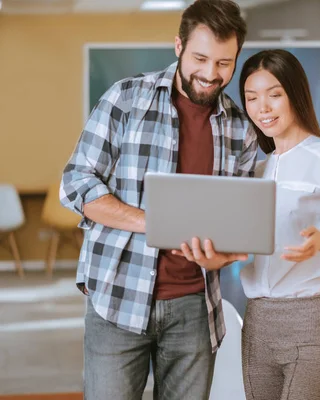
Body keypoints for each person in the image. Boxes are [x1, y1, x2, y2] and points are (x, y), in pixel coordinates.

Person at [59, 1, 257, 399]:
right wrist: (155, 221)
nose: (210, 74)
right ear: (178, 46)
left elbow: (242, 225)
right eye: (200, 58)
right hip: (118, 295)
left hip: (194, 308)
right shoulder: (126, 99)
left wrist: (225, 256)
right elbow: (76, 183)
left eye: (224, 63)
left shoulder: (240, 128)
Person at [240, 49, 320, 400]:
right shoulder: (254, 170)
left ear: (295, 94)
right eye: (251, 98)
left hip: (311, 322)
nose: (262, 108)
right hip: (257, 322)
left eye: (274, 95)